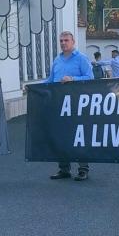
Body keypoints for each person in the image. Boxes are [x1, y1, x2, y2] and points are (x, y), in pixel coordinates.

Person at [47, 31, 94, 181]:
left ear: (73, 42)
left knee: (79, 136)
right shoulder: (57, 60)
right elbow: (50, 80)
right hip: (59, 105)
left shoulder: (81, 58)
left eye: (66, 40)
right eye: (61, 41)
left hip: (77, 105)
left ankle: (83, 169)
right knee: (61, 136)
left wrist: (73, 79)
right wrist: (34, 87)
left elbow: (90, 78)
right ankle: (64, 169)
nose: (63, 43)